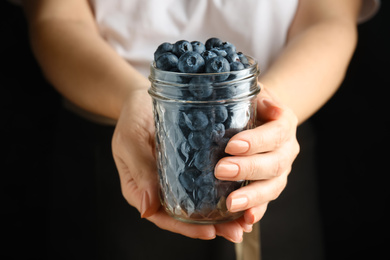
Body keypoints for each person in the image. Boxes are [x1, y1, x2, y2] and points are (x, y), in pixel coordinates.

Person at [15, 0, 379, 259]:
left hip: (270, 150)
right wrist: (134, 96)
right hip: (122, 149)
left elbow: (327, 19)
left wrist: (270, 110)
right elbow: (56, 19)